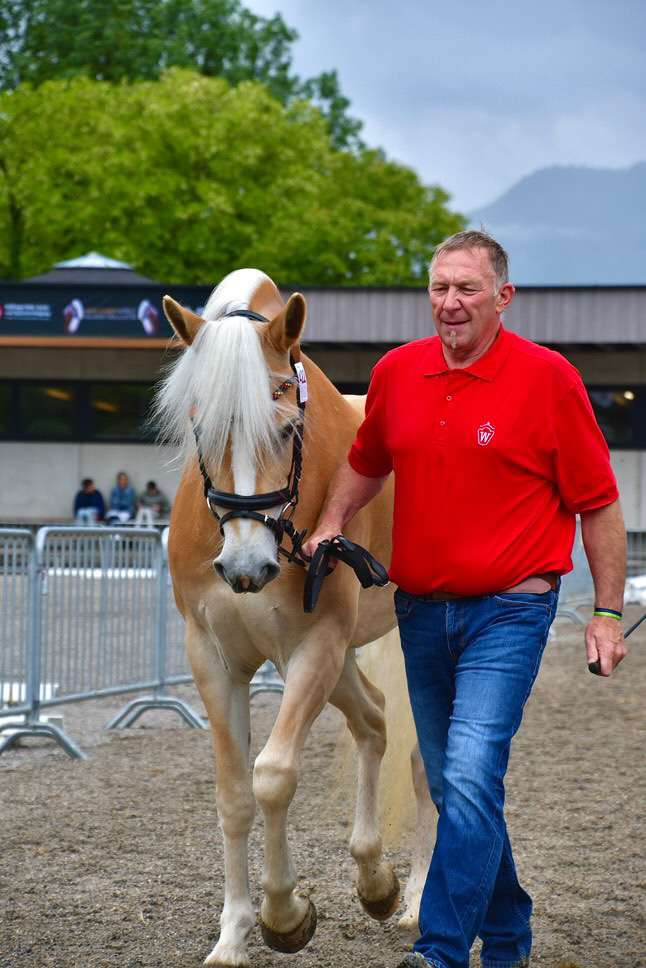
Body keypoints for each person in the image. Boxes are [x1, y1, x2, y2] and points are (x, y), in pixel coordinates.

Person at [303, 230, 626, 968]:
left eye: (468, 289)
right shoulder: (396, 373)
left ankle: (442, 950)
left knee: (472, 775)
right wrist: (328, 523)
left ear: (503, 297)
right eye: (441, 288)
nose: (451, 303)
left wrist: (606, 613)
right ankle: (508, 932)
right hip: (420, 611)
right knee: (459, 788)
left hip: (510, 612)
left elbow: (599, 502)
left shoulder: (549, 379)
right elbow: (365, 462)